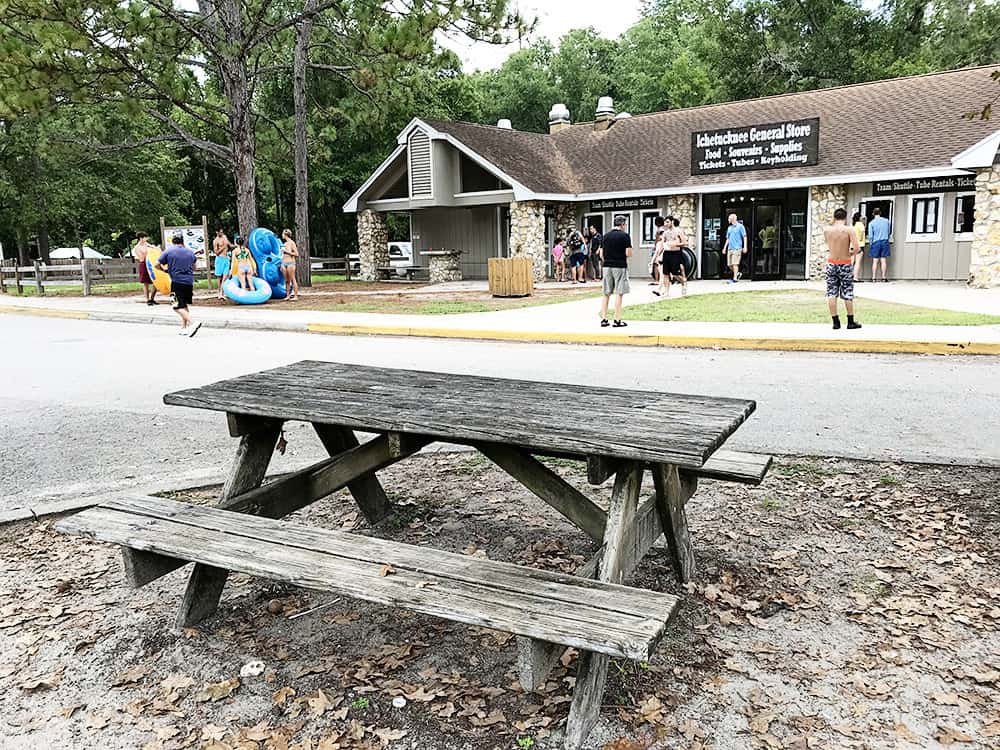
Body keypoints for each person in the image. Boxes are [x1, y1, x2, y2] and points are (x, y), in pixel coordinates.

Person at [823, 208, 862, 330]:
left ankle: (835, 322)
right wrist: (849, 254)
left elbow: (828, 244)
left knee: (831, 293)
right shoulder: (849, 230)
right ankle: (850, 321)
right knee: (847, 292)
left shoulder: (827, 230)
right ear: (845, 217)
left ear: (834, 217)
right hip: (845, 263)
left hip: (831, 263)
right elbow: (856, 248)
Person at [156, 233, 201, 337]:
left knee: (175, 305)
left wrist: (164, 270)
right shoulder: (190, 252)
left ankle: (192, 323)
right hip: (189, 282)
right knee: (183, 305)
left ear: (173, 241)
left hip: (176, 281)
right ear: (182, 241)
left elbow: (156, 264)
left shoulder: (169, 251)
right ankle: (184, 328)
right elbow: (194, 268)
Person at [598, 215, 632, 328]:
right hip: (620, 266)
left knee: (606, 293)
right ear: (622, 224)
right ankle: (617, 320)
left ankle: (604, 319)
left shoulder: (605, 236)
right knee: (619, 292)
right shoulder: (625, 236)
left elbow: (601, 254)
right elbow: (628, 253)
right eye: (625, 224)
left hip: (607, 266)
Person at [132, 232, 157, 306]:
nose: (146, 239)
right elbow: (141, 258)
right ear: (141, 238)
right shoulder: (137, 247)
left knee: (155, 281)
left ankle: (152, 298)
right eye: (145, 237)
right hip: (144, 264)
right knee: (146, 283)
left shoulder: (146, 244)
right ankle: (147, 299)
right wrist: (148, 253)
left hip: (151, 263)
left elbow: (153, 248)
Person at [867, 207, 891, 282]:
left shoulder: (871, 223)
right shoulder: (886, 221)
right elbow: (888, 231)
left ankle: (874, 278)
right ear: (880, 213)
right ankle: (883, 277)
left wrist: (871, 244)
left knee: (875, 261)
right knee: (883, 260)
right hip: (884, 241)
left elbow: (870, 236)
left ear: (873, 214)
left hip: (876, 242)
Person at [722, 213, 747, 283]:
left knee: (735, 264)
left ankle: (735, 278)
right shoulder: (729, 228)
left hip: (737, 248)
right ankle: (737, 273)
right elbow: (728, 239)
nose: (728, 220)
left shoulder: (740, 226)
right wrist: (724, 248)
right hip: (730, 248)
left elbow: (744, 236)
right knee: (729, 265)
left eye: (729, 218)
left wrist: (745, 247)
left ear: (733, 219)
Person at [212, 229, 233, 300]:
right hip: (219, 259)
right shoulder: (215, 241)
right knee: (219, 278)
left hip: (226, 259)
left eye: (222, 232)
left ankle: (222, 293)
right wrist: (223, 247)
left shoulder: (225, 237)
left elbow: (230, 245)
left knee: (225, 277)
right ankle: (219, 293)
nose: (221, 233)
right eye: (219, 232)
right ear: (216, 232)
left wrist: (237, 245)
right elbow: (216, 252)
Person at [281, 228, 299, 300]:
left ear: (286, 235)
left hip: (290, 263)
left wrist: (287, 252)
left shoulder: (292, 243)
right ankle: (288, 295)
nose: (282, 235)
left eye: (282, 234)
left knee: (292, 279)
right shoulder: (284, 244)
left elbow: (296, 254)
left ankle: (295, 296)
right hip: (284, 263)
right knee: (286, 280)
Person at [649, 216, 665, 285]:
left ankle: (657, 280)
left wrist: (655, 247)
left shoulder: (660, 230)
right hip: (663, 247)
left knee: (656, 264)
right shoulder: (664, 229)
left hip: (659, 247)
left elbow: (658, 239)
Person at [851, 212, 867, 282]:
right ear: (859, 218)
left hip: (852, 245)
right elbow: (862, 233)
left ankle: (848, 276)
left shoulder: (852, 225)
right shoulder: (860, 225)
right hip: (859, 245)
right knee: (857, 262)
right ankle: (855, 277)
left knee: (851, 262)